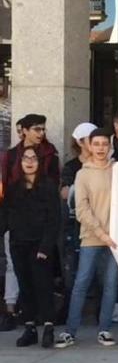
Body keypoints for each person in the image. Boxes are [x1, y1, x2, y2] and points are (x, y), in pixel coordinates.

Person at [56, 128, 118, 348]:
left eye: (105, 144)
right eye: (97, 144)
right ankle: (70, 331)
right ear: (89, 146)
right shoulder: (82, 174)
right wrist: (102, 232)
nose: (101, 148)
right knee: (81, 283)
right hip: (92, 237)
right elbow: (82, 209)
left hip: (116, 239)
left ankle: (104, 329)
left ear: (109, 146)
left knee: (110, 285)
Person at [0, 146, 60, 348]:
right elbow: (5, 216)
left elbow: (54, 219)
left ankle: (49, 327)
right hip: (19, 244)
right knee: (25, 287)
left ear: (39, 161)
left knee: (43, 286)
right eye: (25, 157)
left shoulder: (49, 186)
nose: (29, 161)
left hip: (40, 245)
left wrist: (45, 247)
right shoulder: (14, 187)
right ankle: (30, 327)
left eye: (34, 157)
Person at [59, 123, 97, 324]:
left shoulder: (106, 166)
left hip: (99, 224)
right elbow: (65, 192)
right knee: (74, 274)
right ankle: (71, 316)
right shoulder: (72, 167)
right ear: (80, 143)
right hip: (75, 225)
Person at [3, 113, 60, 190]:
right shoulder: (11, 154)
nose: (42, 133)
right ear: (25, 131)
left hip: (42, 199)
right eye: (37, 129)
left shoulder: (50, 154)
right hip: (16, 198)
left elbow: (54, 184)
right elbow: (5, 182)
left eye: (43, 129)